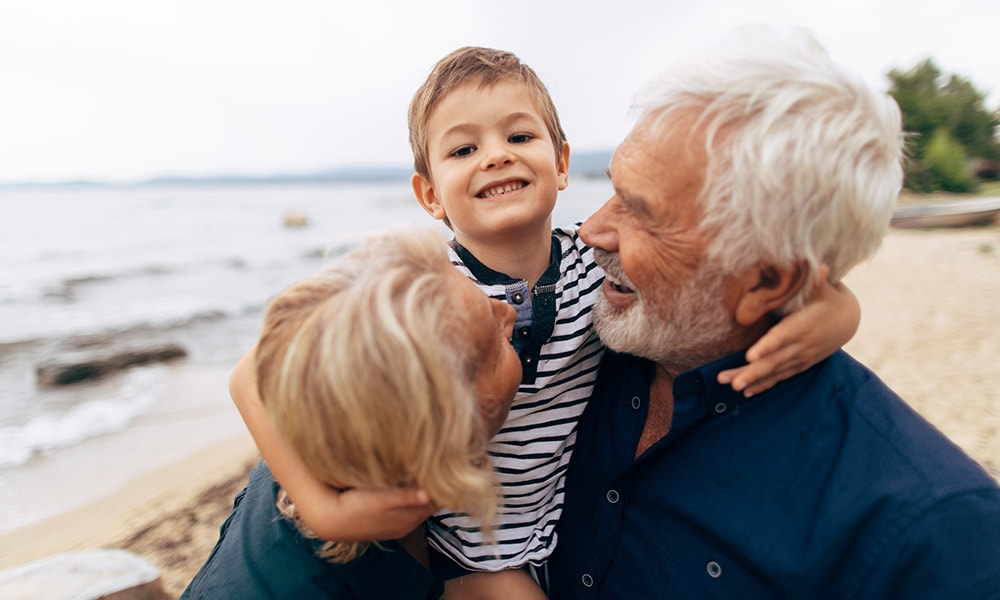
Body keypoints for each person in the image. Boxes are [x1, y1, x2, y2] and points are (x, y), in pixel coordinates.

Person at [227, 46, 863, 598]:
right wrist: (322, 508)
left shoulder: (596, 260)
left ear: (561, 162)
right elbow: (252, 373)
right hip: (462, 544)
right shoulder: (416, 282)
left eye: (519, 137)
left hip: (556, 526)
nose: (496, 157)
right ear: (429, 196)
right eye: (464, 148)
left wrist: (837, 311)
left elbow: (735, 278)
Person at [546, 26, 1000, 599]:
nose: (591, 231)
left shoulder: (932, 537)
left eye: (641, 212)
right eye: (613, 190)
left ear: (767, 281)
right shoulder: (568, 345)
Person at [181, 226, 524, 598]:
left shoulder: (322, 418)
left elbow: (252, 368)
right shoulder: (339, 580)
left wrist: (321, 509)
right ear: (441, 438)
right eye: (494, 338)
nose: (508, 312)